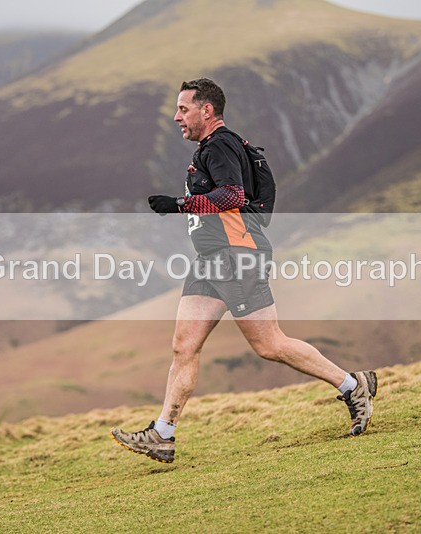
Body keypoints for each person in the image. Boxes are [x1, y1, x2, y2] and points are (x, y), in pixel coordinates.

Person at [110, 78, 377, 463]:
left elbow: (233, 195)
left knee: (270, 345)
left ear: (207, 110)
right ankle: (162, 434)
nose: (176, 117)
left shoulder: (220, 144)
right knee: (184, 346)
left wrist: (180, 204)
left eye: (183, 109)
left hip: (237, 255)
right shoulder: (212, 148)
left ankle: (353, 385)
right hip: (210, 259)